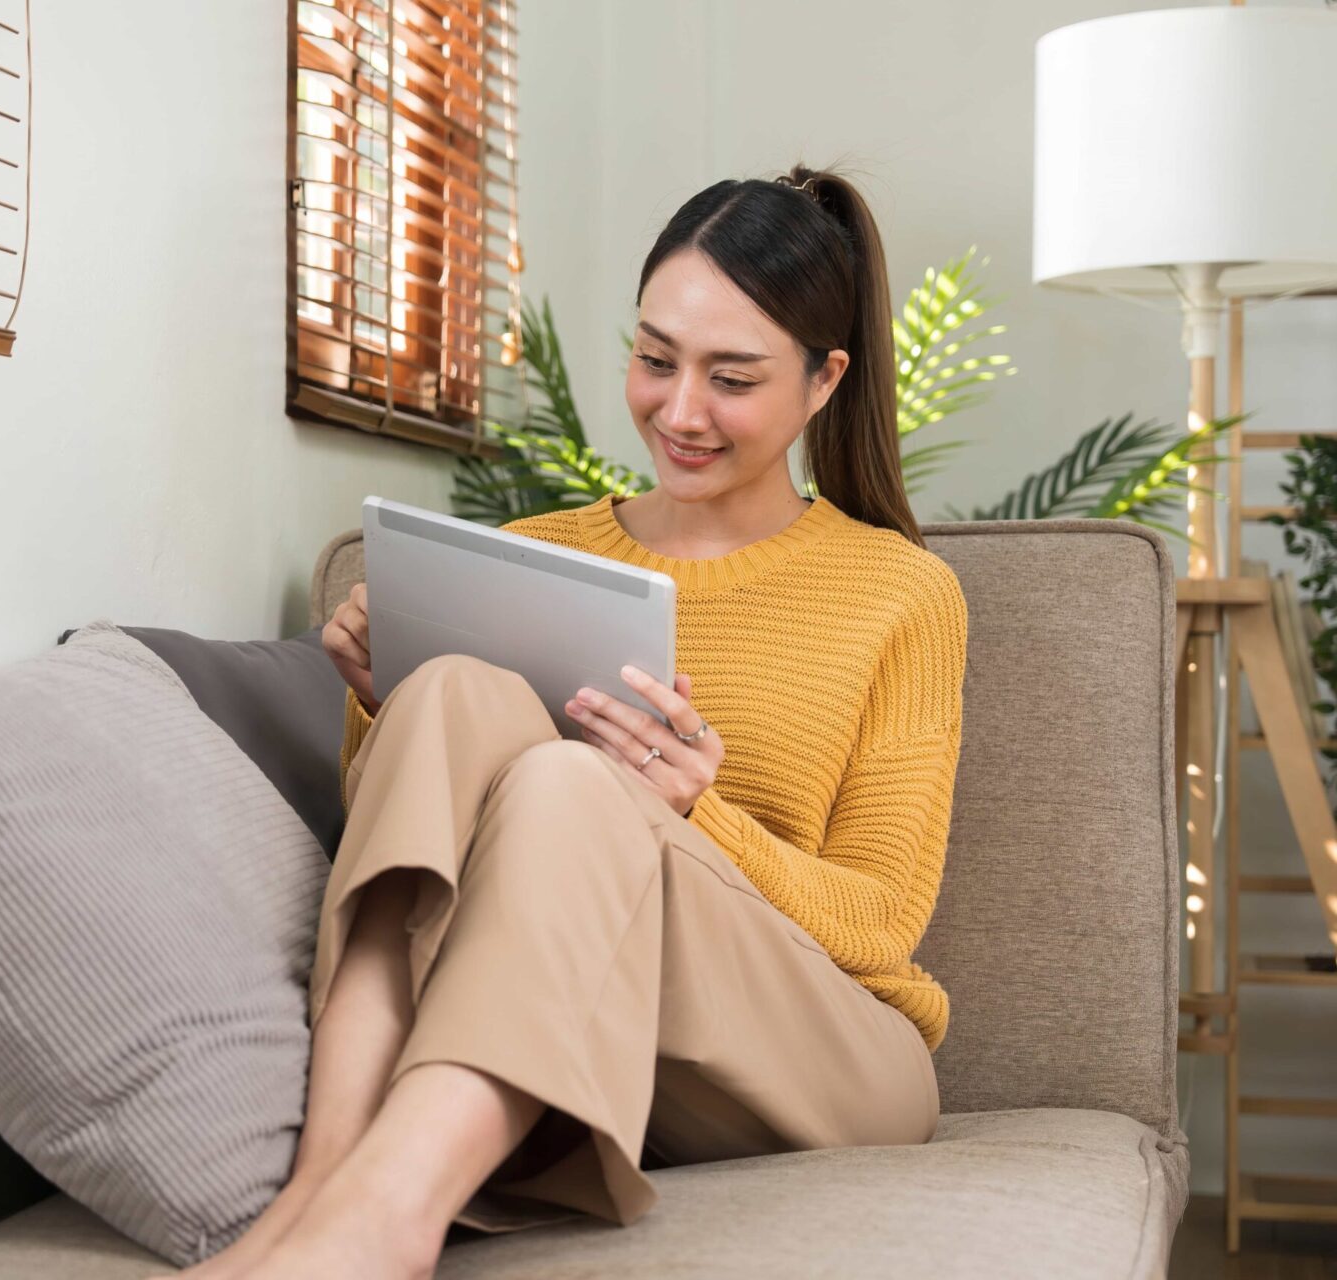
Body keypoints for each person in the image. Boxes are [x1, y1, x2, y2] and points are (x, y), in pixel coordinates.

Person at [157, 163, 969, 1280]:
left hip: (823, 1049)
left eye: (732, 377)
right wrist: (376, 700)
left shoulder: (900, 592)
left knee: (575, 780)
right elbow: (420, 851)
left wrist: (694, 812)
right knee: (450, 689)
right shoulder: (540, 550)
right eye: (654, 359)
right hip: (592, 1028)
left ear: (824, 381)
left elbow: (882, 923)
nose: (679, 412)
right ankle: (320, 1189)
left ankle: (387, 1222)